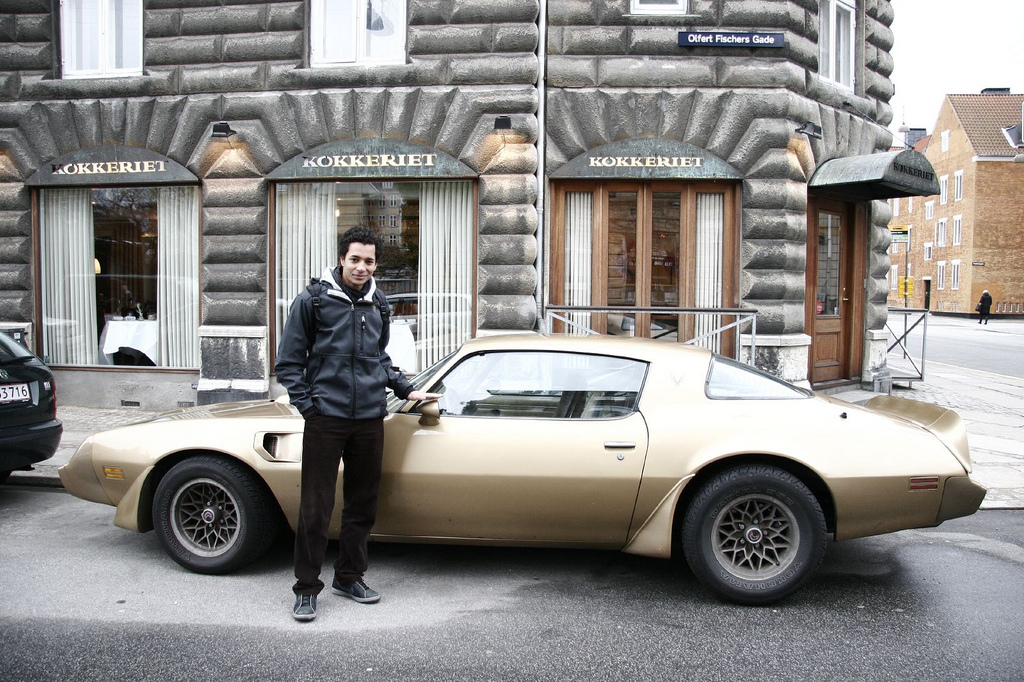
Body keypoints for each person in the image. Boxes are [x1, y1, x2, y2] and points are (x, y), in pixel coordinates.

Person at [275, 226, 439, 622]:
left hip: (369, 418)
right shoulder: (313, 300)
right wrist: (309, 408)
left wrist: (403, 388)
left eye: (369, 261)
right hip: (325, 419)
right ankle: (306, 588)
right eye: (355, 259)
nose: (362, 267)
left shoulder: (378, 304)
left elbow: (377, 359)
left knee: (362, 505)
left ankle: (349, 576)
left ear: (375, 263)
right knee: (315, 507)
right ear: (342, 259)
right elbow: (289, 363)